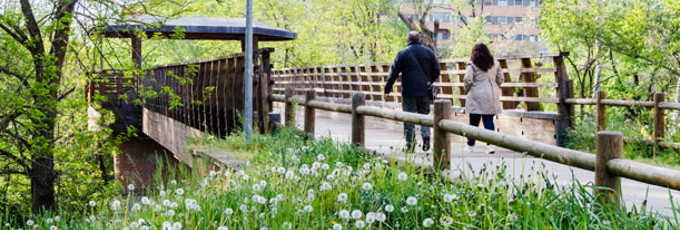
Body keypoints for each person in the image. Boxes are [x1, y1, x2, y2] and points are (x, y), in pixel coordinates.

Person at [384, 31, 441, 152]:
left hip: (409, 90)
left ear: (407, 40)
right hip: (425, 90)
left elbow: (393, 73)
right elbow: (437, 69)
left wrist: (387, 89)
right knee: (424, 115)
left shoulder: (402, 53)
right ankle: (426, 136)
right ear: (420, 40)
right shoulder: (429, 52)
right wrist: (429, 80)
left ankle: (410, 145)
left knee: (409, 117)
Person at [463, 43, 504, 154]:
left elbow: (467, 79)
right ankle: (491, 146)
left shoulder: (472, 64)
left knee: (473, 122)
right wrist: (494, 87)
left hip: (476, 93)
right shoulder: (495, 64)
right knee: (489, 120)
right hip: (491, 94)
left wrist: (467, 89)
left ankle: (470, 146)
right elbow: (501, 79)